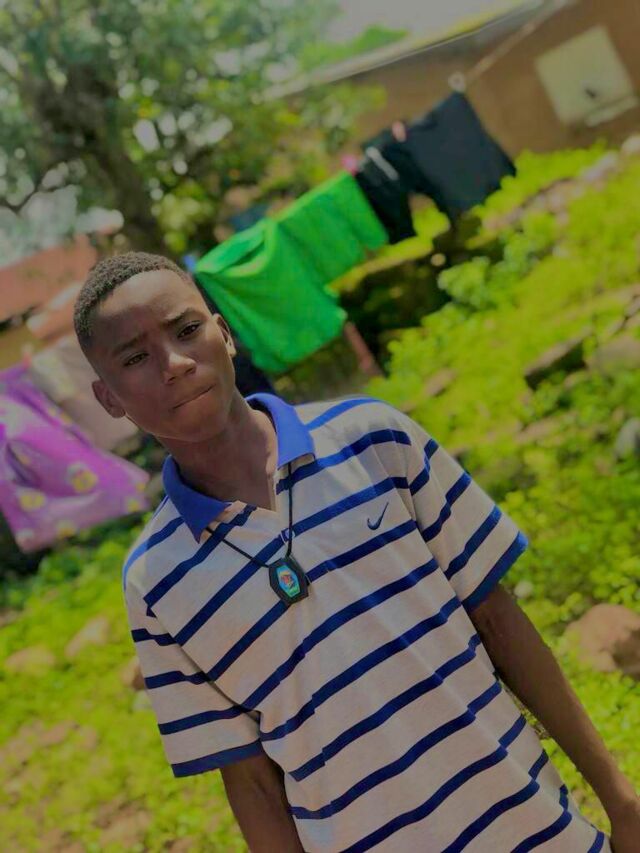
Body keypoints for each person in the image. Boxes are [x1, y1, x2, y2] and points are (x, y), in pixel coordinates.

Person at [73, 252, 639, 853]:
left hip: (534, 830)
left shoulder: (372, 439)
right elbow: (251, 782)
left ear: (225, 333)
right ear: (109, 399)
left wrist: (622, 802)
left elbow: (497, 618)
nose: (176, 363)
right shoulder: (156, 580)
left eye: (187, 330)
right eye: (135, 358)